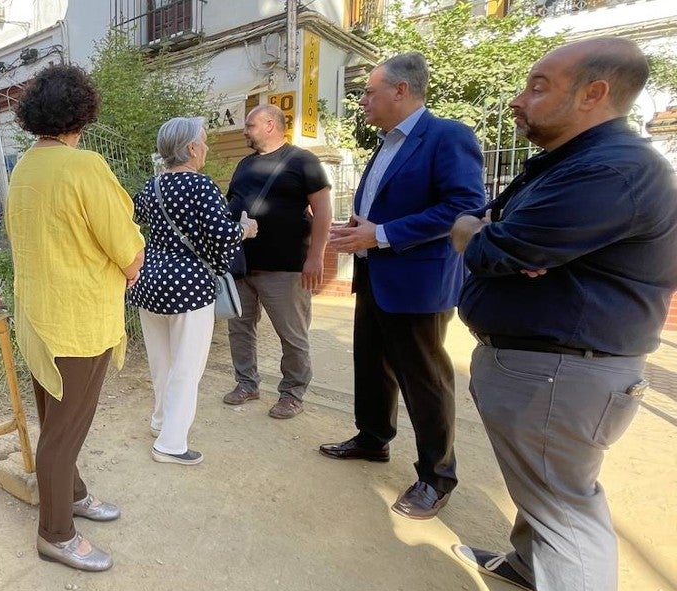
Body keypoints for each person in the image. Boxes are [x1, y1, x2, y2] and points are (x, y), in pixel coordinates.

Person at [451, 38, 677, 591]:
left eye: (540, 85)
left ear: (595, 93)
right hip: (549, 367)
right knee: (543, 486)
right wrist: (491, 238)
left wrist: (478, 236)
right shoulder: (575, 161)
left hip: (564, 372)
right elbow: (506, 241)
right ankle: (526, 563)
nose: (520, 100)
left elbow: (498, 244)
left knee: (564, 505)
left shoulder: (611, 172)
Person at [320, 52, 485, 520]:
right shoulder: (385, 144)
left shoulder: (447, 136)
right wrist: (362, 227)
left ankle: (437, 476)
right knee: (371, 366)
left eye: (370, 92)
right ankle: (373, 439)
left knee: (425, 381)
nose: (363, 101)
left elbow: (465, 205)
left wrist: (382, 234)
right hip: (376, 274)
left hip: (419, 282)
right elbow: (391, 206)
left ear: (401, 91)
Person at [4, 64, 145, 572]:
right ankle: (56, 533)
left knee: (56, 424)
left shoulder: (25, 168)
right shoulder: (83, 166)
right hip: (79, 320)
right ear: (82, 112)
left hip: (40, 318)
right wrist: (131, 265)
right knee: (64, 433)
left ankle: (74, 494)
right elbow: (127, 249)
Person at [128, 117, 249, 465]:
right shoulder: (201, 186)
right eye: (205, 142)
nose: (207, 148)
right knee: (187, 365)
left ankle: (161, 421)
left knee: (161, 360)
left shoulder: (152, 187)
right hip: (190, 286)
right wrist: (245, 229)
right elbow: (222, 236)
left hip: (150, 282)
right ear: (192, 148)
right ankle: (171, 443)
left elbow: (130, 220)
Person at [223, 104, 331, 419]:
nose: (244, 131)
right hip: (242, 265)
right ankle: (247, 383)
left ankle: (292, 394)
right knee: (240, 329)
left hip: (286, 267)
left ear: (271, 124)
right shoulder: (244, 165)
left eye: (250, 125)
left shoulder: (303, 161)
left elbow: (322, 210)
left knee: (292, 334)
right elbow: (233, 206)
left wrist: (316, 256)